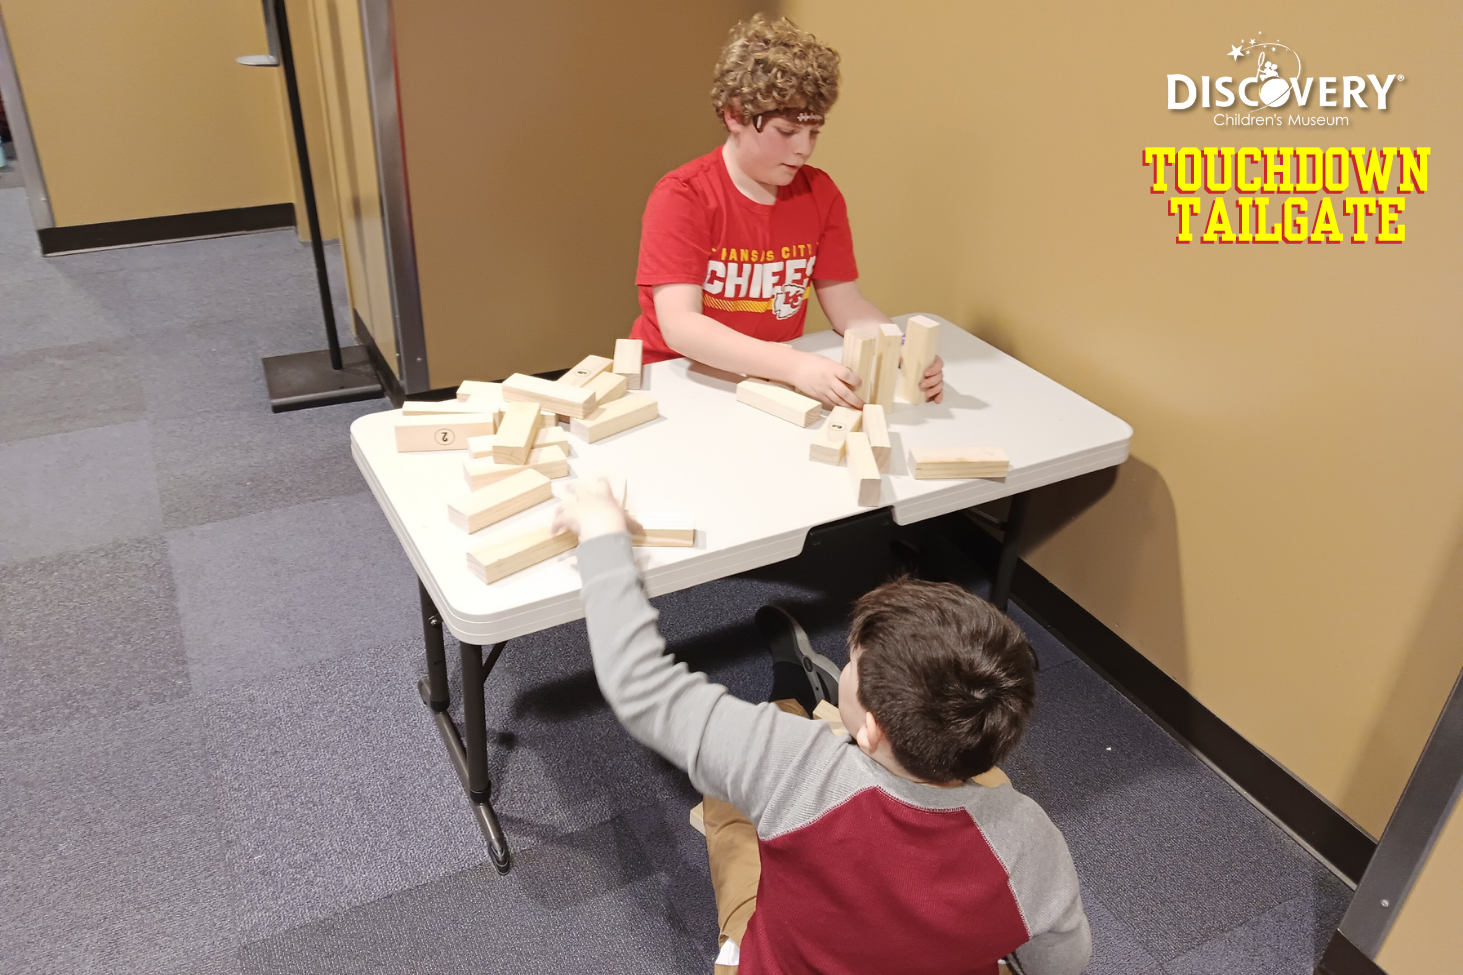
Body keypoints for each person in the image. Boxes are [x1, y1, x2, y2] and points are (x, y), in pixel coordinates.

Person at [555, 480, 1092, 975]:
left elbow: (642, 688)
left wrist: (603, 535)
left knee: (731, 818)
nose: (852, 665)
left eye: (853, 665)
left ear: (875, 729)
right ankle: (813, 700)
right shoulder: (1029, 840)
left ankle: (796, 698)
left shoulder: (792, 765)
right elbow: (1062, 961)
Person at [631, 15, 944, 409]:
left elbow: (847, 304)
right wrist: (794, 366)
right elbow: (682, 327)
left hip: (766, 380)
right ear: (735, 115)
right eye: (786, 132)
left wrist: (898, 346)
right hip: (676, 378)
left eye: (813, 132)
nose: (804, 149)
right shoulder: (683, 195)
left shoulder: (820, 192)